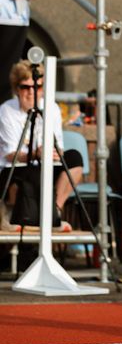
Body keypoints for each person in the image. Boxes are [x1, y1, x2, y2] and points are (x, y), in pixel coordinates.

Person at [0, 60, 84, 231]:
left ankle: (54, 213)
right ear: (17, 89)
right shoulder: (6, 110)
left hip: (41, 164)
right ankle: (12, 213)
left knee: (74, 158)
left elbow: (58, 145)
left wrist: (53, 153)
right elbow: (10, 154)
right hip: (14, 168)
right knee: (30, 170)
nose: (32, 92)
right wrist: (37, 154)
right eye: (25, 87)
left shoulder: (51, 108)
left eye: (37, 87)